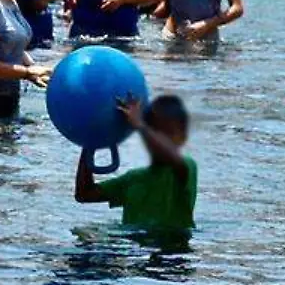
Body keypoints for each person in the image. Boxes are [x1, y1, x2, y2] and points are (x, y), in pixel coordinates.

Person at [74, 95, 198, 232]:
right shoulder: (134, 178)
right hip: (133, 249)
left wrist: (139, 124)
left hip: (173, 251)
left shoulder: (187, 166)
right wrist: (89, 142)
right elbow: (84, 194)